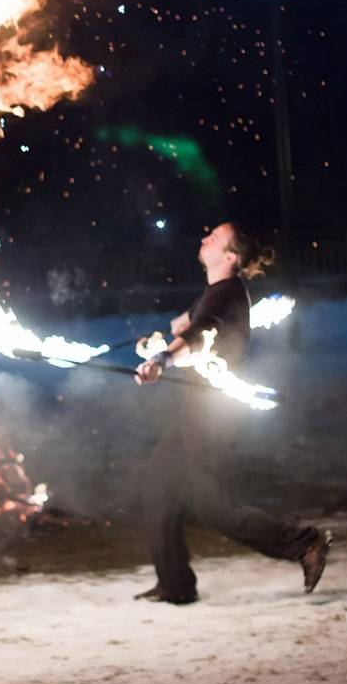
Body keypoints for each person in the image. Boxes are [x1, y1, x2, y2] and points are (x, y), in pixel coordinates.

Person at [134, 221, 330, 604]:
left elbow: (199, 336)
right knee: (157, 490)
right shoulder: (217, 293)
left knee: (215, 508)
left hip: (212, 417)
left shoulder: (225, 295)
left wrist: (163, 359)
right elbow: (188, 330)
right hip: (197, 410)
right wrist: (157, 346)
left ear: (230, 256)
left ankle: (306, 543)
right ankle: (175, 584)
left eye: (215, 238)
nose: (204, 237)